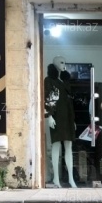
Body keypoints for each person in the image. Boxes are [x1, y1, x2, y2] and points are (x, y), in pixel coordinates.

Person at [44, 55, 76, 188]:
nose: (64, 65)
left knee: (69, 146)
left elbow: (69, 102)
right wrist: (49, 116)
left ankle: (71, 179)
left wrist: (73, 120)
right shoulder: (49, 80)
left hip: (68, 117)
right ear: (55, 64)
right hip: (56, 117)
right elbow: (47, 98)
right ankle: (56, 178)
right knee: (56, 145)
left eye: (64, 62)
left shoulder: (64, 81)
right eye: (61, 62)